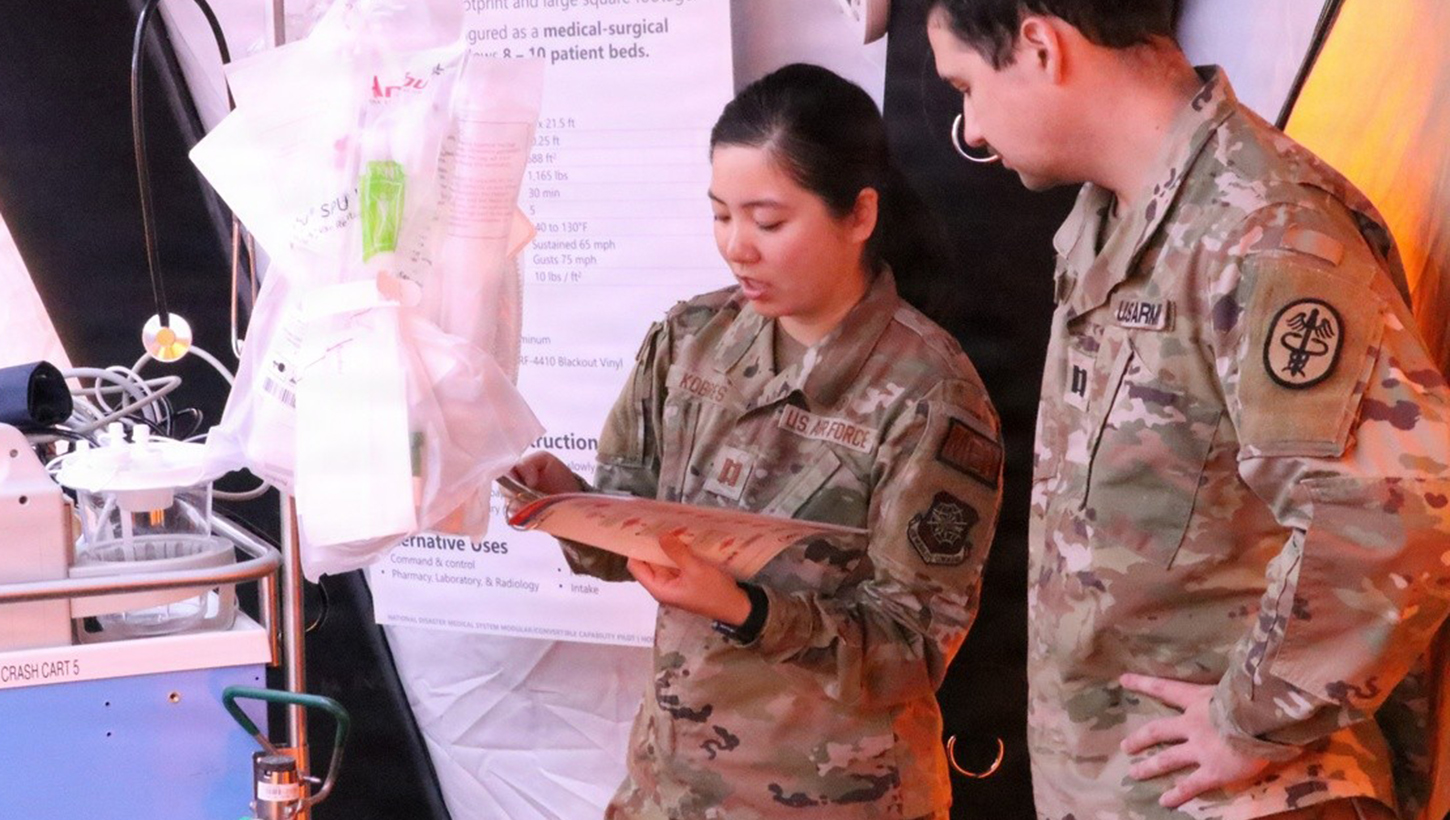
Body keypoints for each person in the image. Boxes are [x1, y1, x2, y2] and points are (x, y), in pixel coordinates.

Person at [924, 2, 1450, 819]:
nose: (973, 129)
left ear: (1038, 45)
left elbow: (1395, 511)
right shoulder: (1114, 220)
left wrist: (1252, 719)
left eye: (966, 86)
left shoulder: (1262, 227)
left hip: (1256, 798)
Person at [511, 63, 1004, 820]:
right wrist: (559, 502)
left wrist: (747, 609)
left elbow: (912, 651)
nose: (737, 247)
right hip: (670, 790)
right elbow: (624, 536)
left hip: (838, 800)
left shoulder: (930, 395)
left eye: (768, 222)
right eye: (720, 216)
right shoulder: (689, 343)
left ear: (860, 215)